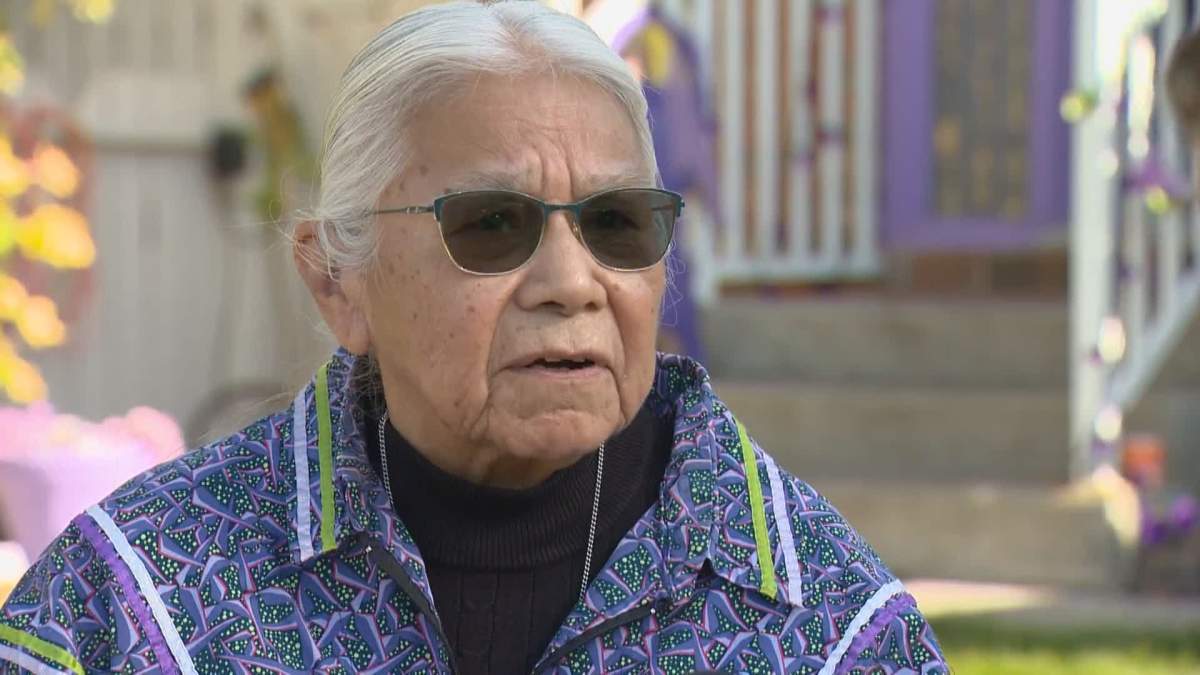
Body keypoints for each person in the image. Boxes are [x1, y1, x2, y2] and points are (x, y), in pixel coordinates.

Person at [0, 2, 948, 673]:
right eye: (492, 224)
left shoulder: (830, 628)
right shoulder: (135, 605)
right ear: (338, 283)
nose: (573, 283)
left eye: (617, 222)